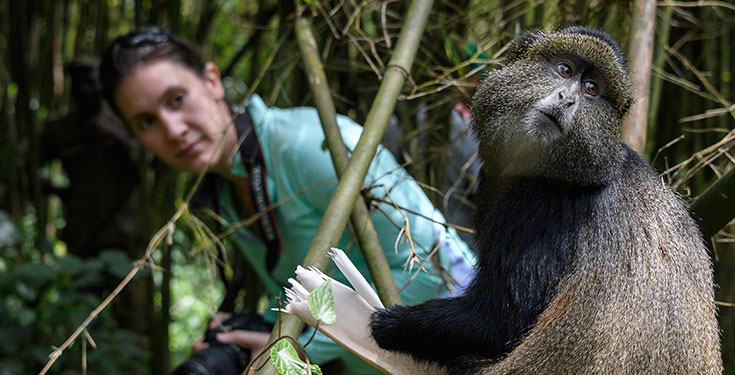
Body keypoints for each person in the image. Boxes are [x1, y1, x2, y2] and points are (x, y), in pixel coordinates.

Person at [99, 27, 476, 374]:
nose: (173, 129)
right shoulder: (225, 187)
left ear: (212, 81)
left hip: (463, 349)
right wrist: (259, 328)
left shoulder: (306, 145)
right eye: (146, 121)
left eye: (177, 99)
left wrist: (286, 339)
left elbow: (428, 268)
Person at [42, 57, 140, 259]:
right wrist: (63, 193)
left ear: (102, 86)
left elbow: (147, 166)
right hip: (81, 234)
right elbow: (23, 172)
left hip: (124, 232)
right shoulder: (60, 130)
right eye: (79, 83)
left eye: (90, 82)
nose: (84, 89)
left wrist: (115, 136)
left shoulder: (128, 121)